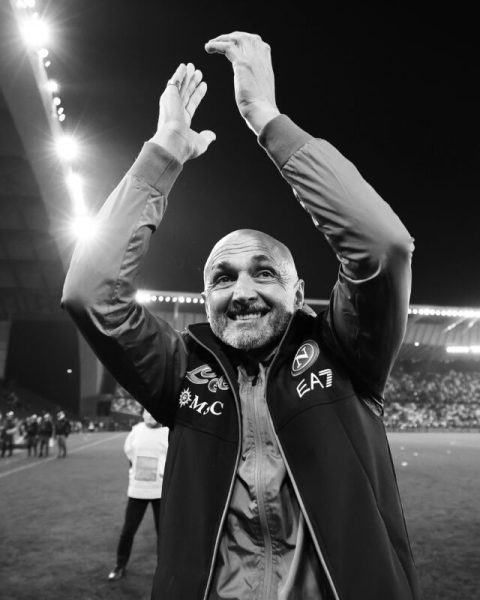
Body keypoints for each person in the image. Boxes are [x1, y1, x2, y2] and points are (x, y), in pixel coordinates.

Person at [63, 32, 420, 600]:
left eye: (264, 272)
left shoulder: (348, 352)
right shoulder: (180, 372)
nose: (243, 291)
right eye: (222, 279)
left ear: (301, 292)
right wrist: (162, 153)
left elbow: (383, 247)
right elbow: (89, 293)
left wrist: (268, 119)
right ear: (205, 298)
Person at [107, 409, 169, 582]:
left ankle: (164, 569)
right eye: (147, 412)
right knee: (128, 531)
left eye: (153, 412)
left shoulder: (167, 432)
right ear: (142, 414)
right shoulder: (136, 431)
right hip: (138, 490)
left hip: (160, 491)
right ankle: (120, 566)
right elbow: (129, 453)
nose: (150, 415)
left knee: (163, 533)